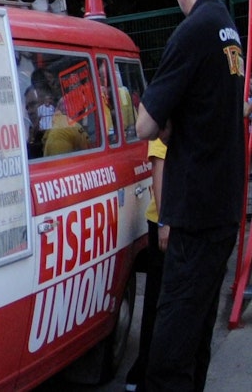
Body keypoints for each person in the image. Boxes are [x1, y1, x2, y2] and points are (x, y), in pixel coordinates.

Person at [136, 0, 247, 391]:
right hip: (222, 212)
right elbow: (219, 112)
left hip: (195, 217)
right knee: (197, 336)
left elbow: (145, 124)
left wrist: (164, 122)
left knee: (169, 353)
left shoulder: (192, 33)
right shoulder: (228, 30)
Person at [125, 139, 167, 392]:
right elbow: (159, 168)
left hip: (172, 221)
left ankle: (146, 370)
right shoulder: (166, 116)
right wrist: (164, 222)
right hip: (165, 223)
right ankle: (144, 372)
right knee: (156, 300)